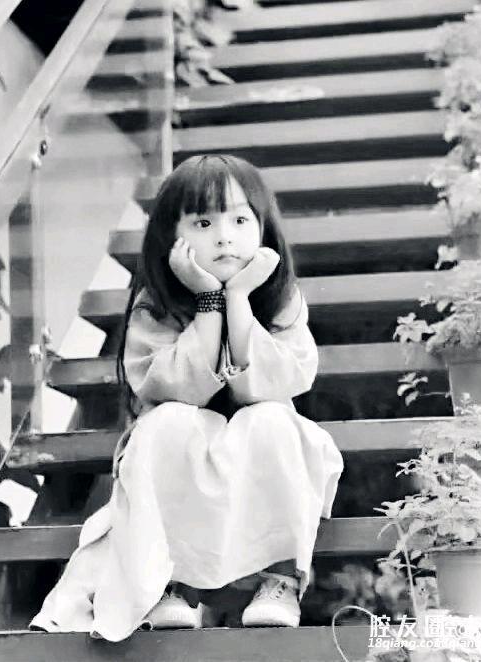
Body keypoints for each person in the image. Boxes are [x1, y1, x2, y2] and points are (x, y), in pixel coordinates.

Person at [30, 154, 344, 641]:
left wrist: (239, 299)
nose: (224, 237)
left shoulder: (281, 296)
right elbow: (178, 387)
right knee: (168, 423)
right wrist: (209, 301)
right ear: (170, 237)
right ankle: (172, 584)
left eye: (240, 220)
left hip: (259, 448)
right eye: (203, 223)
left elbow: (275, 383)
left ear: (263, 229)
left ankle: (280, 579)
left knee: (272, 420)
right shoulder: (154, 305)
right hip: (180, 449)